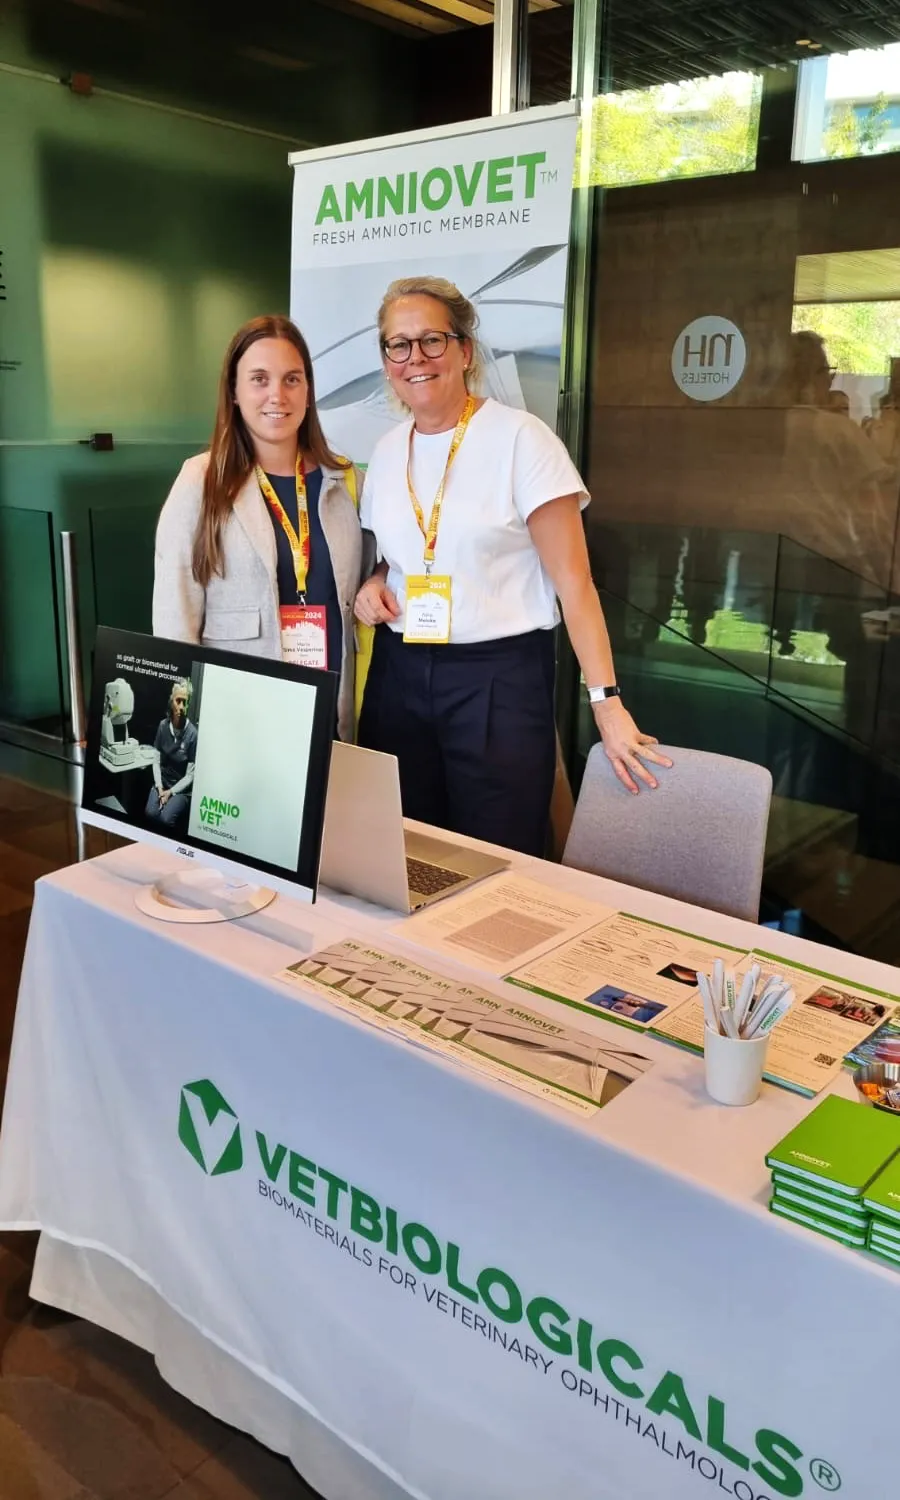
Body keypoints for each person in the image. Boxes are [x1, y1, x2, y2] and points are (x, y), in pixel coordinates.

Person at [354, 275, 668, 857]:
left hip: (495, 681)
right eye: (398, 344)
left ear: (465, 351)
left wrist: (607, 702)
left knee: (495, 860)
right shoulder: (388, 449)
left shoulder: (522, 440)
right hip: (398, 678)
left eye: (432, 341)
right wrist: (373, 587)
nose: (414, 358)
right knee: (400, 849)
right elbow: (390, 558)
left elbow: (574, 583)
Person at [152, 315, 364, 741]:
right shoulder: (201, 481)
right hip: (239, 721)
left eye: (292, 379)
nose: (277, 395)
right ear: (233, 391)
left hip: (329, 714)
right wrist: (187, 728)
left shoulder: (342, 480)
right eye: (259, 379)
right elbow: (175, 621)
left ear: (308, 390)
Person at [145, 679, 198, 829]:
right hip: (162, 783)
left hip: (180, 789)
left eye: (185, 702)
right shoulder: (163, 726)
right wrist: (160, 787)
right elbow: (156, 760)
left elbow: (190, 775)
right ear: (171, 701)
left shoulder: (193, 734)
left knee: (165, 819)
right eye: (178, 701)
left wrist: (171, 792)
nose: (181, 707)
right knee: (150, 813)